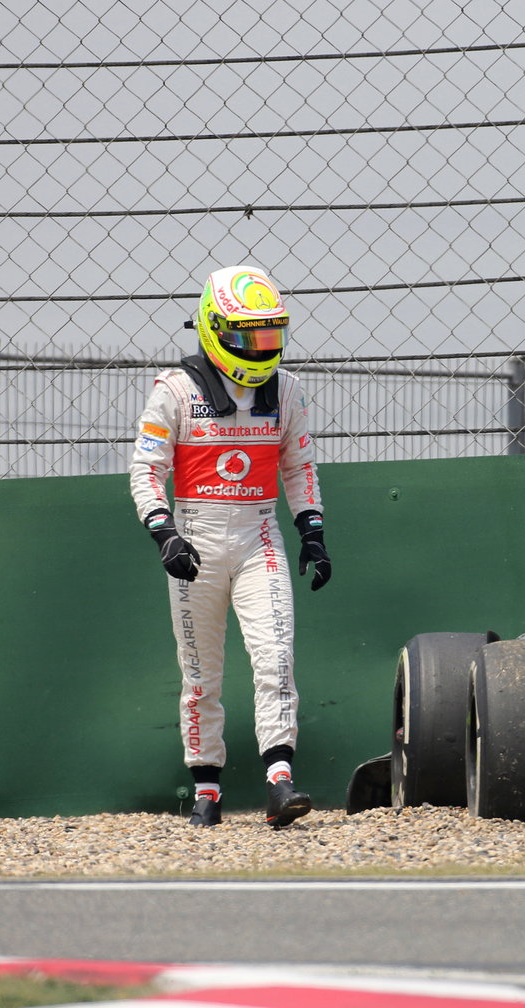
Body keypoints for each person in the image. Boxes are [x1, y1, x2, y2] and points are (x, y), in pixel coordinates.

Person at [128, 265, 332, 828]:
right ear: (215, 330)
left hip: (259, 536)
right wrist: (165, 533)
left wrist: (312, 531)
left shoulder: (286, 390)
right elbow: (146, 469)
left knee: (276, 657)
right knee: (200, 673)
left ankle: (279, 782)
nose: (263, 347)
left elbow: (299, 466)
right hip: (193, 541)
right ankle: (208, 791)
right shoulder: (174, 390)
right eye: (250, 336)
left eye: (271, 334)